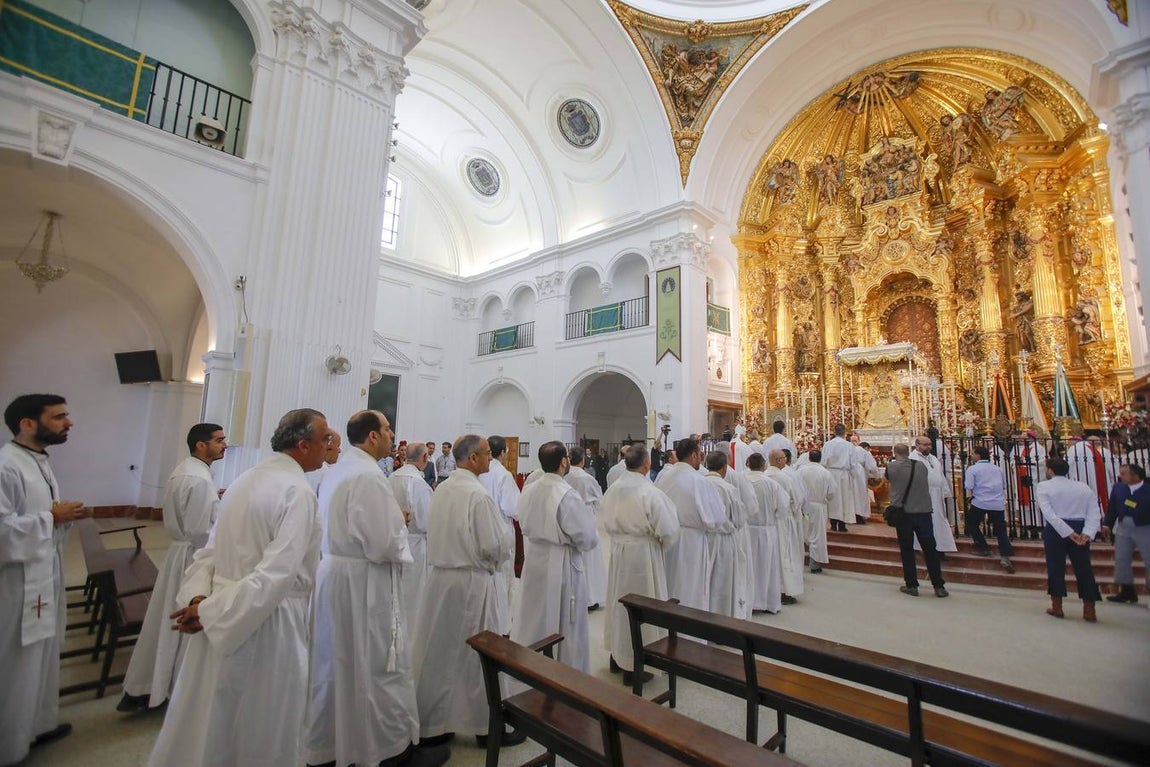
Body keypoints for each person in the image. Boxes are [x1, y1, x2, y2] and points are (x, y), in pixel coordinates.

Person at [146, 408, 328, 767]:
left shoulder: (245, 479)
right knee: (262, 721)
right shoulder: (297, 492)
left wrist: (200, 598)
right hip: (267, 619)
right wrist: (209, 610)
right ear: (304, 445)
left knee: (214, 716)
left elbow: (210, 551)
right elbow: (278, 574)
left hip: (222, 608)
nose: (329, 447)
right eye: (325, 439)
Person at [305, 410, 443, 767]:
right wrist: (401, 520)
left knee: (341, 663)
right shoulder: (366, 476)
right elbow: (382, 543)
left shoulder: (340, 470)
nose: (391, 434)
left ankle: (337, 745)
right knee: (377, 661)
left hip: (338, 574)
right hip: (362, 583)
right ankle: (387, 749)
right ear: (371, 437)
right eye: (386, 429)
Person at [413, 435, 521, 749]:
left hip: (441, 581)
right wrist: (504, 549)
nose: (492, 459)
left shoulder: (443, 488)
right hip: (472, 583)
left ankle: (436, 724)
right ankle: (485, 726)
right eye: (487, 454)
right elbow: (493, 546)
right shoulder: (477, 494)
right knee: (478, 657)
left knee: (441, 652)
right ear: (473, 458)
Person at [1, 394, 87, 764]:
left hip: (44, 571)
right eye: (59, 417)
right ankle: (9, 743)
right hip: (17, 581)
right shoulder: (7, 466)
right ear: (27, 423)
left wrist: (57, 518)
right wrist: (52, 518)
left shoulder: (37, 462)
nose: (68, 423)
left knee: (45, 651)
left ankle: (37, 723)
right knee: (17, 659)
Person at [118, 423, 226, 712]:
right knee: (183, 621)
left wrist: (217, 503)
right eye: (218, 440)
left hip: (180, 552)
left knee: (163, 621)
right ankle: (174, 686)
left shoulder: (187, 471)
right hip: (193, 556)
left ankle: (151, 684)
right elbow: (199, 530)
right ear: (200, 446)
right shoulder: (199, 480)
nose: (224, 445)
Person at [513, 441, 599, 672]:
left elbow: (521, 519)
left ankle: (531, 664)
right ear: (563, 462)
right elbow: (587, 537)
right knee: (563, 620)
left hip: (535, 558)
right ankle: (563, 671)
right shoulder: (566, 494)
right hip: (561, 564)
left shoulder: (529, 488)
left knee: (534, 614)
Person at [602, 445, 679, 686]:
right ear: (646, 464)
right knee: (643, 607)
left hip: (620, 550)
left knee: (619, 603)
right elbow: (667, 528)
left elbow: (602, 518)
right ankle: (636, 664)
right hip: (643, 554)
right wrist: (662, 545)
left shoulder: (614, 488)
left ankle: (617, 656)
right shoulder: (649, 491)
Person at [653, 438, 727, 610]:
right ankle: (689, 634)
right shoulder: (699, 480)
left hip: (665, 537)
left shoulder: (664, 478)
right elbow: (717, 518)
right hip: (691, 542)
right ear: (694, 455)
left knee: (669, 584)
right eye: (700, 454)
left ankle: (668, 628)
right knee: (690, 589)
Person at [1035, 457, 1101, 621]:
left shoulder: (1044, 486)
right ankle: (1089, 609)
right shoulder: (1083, 487)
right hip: (1079, 528)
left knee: (1055, 567)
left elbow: (1049, 514)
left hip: (1057, 530)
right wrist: (1087, 532)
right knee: (1084, 568)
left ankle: (1057, 606)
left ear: (1050, 470)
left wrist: (1067, 532)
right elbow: (1094, 511)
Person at [886, 443, 948, 598]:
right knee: (930, 549)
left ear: (895, 453)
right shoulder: (921, 466)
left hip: (904, 513)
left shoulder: (892, 467)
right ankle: (938, 585)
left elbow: (887, 478)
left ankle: (912, 584)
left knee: (907, 550)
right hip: (923, 511)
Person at [389, 441, 433, 636]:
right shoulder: (419, 484)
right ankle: (412, 635)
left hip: (394, 539)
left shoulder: (392, 477)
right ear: (424, 458)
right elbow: (425, 521)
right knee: (415, 594)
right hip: (415, 543)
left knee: (396, 591)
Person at [478, 435, 520, 635]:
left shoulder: (477, 471)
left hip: (479, 530)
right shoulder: (503, 474)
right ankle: (503, 625)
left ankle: (486, 622)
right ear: (503, 452)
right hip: (500, 529)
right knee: (503, 580)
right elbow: (513, 508)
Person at [702, 451, 749, 618]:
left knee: (704, 580)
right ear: (724, 468)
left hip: (702, 539)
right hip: (723, 541)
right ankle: (720, 618)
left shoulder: (698, 483)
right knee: (722, 581)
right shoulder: (728, 489)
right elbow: (739, 518)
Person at [564, 446, 607, 609]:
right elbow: (599, 499)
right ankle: (589, 597)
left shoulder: (565, 476)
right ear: (582, 460)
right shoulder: (587, 478)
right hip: (587, 518)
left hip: (569, 519)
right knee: (589, 561)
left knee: (574, 559)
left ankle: (573, 595)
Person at [964, 445, 1015, 574]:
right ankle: (1005, 555)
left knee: (971, 524)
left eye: (973, 454)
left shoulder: (973, 469)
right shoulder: (997, 469)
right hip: (997, 503)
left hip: (980, 501)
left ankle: (983, 546)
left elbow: (968, 485)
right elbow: (1004, 485)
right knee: (1001, 530)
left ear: (978, 455)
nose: (972, 456)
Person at [744, 453, 785, 613]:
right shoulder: (771, 484)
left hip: (747, 529)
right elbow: (782, 507)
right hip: (766, 529)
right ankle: (767, 602)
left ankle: (749, 602)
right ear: (763, 465)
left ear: (748, 465)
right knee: (767, 567)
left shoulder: (743, 480)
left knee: (750, 566)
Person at [1103, 463, 1149, 604]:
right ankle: (1127, 591)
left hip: (1144, 526)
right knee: (1121, 558)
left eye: (1124, 474)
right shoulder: (1119, 488)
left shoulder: (1147, 489)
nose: (1120, 476)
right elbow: (1112, 508)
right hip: (1124, 526)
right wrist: (1107, 524)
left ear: (1135, 476)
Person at [765, 449, 805, 604]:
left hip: (767, 522)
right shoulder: (786, 477)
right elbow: (796, 499)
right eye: (783, 458)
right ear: (779, 460)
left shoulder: (764, 476)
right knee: (785, 555)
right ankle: (785, 590)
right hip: (783, 521)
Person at [910, 435, 958, 556]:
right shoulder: (913, 458)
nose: (929, 447)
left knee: (939, 520)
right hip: (923, 495)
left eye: (930, 444)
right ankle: (926, 549)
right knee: (926, 523)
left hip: (937, 495)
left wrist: (945, 492)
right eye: (925, 445)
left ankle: (940, 547)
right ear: (917, 445)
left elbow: (940, 475)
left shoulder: (933, 458)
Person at [796, 449, 835, 573]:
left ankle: (799, 561)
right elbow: (832, 491)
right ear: (820, 459)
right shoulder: (825, 473)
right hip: (819, 506)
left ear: (809, 458)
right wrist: (825, 499)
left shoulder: (800, 471)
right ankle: (814, 563)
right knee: (817, 534)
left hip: (804, 505)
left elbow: (796, 488)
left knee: (803, 531)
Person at [1065, 435, 1117, 514]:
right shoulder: (1102, 451)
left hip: (1081, 484)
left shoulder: (1074, 450)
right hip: (1099, 483)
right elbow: (1114, 472)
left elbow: (1067, 468)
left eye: (1068, 445)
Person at [821, 424, 858, 532]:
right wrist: (853, 476)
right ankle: (842, 524)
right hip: (844, 474)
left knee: (833, 499)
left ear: (834, 432)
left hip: (831, 473)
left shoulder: (828, 444)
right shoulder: (849, 445)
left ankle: (833, 523)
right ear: (844, 432)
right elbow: (854, 463)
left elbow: (823, 461)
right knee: (844, 499)